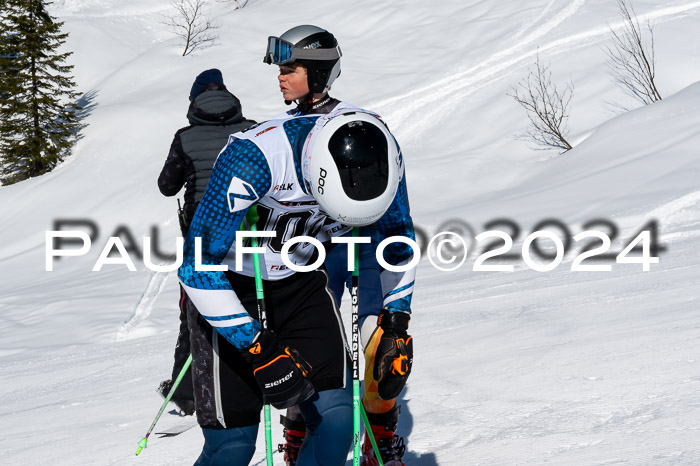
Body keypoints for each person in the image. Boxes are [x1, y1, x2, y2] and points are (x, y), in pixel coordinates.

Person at [178, 102, 415, 464]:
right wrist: (257, 347)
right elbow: (197, 267)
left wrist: (395, 321)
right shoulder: (254, 158)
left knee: (337, 423)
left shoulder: (383, 152)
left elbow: (397, 240)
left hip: (302, 281)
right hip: (231, 288)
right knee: (233, 447)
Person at [262, 25, 415, 466]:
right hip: (310, 259)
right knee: (306, 352)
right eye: (281, 68)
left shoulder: (364, 127)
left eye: (289, 68)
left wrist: (400, 302)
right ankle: (301, 433)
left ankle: (380, 436)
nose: (280, 76)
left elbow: (398, 215)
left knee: (387, 350)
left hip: (365, 250)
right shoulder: (275, 133)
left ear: (317, 71)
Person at [157, 68, 256, 416]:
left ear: (194, 101)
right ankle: (268, 370)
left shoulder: (185, 137)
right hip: (251, 226)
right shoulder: (253, 130)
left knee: (197, 305)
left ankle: (186, 393)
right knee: (254, 297)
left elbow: (167, 185)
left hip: (204, 229)